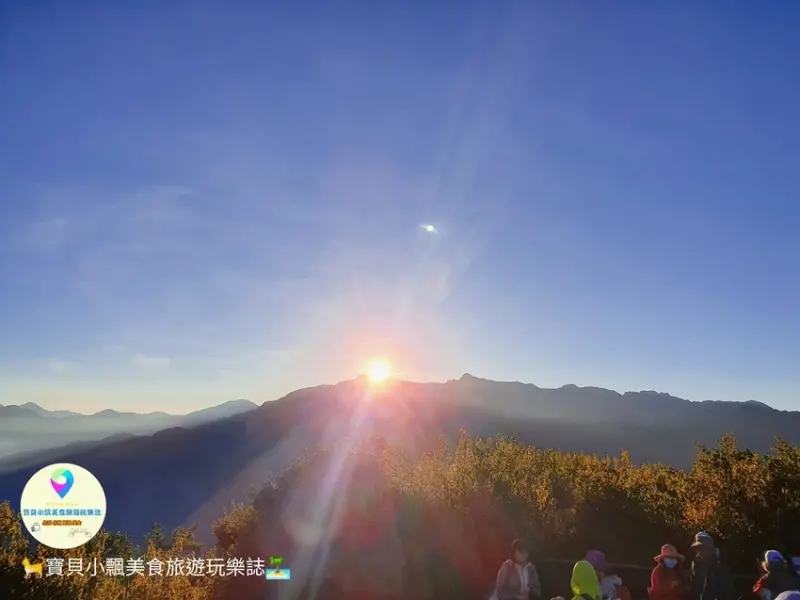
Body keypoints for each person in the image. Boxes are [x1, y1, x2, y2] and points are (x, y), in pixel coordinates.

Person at [689, 531, 734, 600]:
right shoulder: (695, 564)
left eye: (703, 547)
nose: (700, 550)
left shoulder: (720, 565)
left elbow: (727, 590)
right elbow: (694, 587)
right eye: (698, 547)